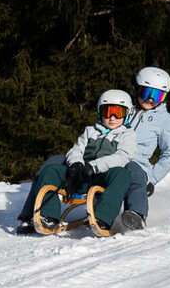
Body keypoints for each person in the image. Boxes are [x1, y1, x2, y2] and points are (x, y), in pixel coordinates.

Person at [16, 90, 137, 234]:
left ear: (127, 114)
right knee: (50, 170)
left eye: (118, 113)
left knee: (122, 175)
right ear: (100, 113)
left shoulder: (128, 135)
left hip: (103, 175)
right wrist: (75, 163)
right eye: (107, 112)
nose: (112, 117)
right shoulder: (90, 131)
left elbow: (123, 156)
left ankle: (102, 218)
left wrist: (94, 166)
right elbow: (76, 150)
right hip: (81, 175)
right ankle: (48, 216)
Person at [116, 67, 170, 231]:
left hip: (137, 164)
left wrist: (153, 179)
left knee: (134, 172)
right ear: (136, 89)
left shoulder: (165, 120)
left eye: (157, 95)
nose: (151, 99)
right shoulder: (124, 108)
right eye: (146, 93)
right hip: (111, 158)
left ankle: (136, 215)